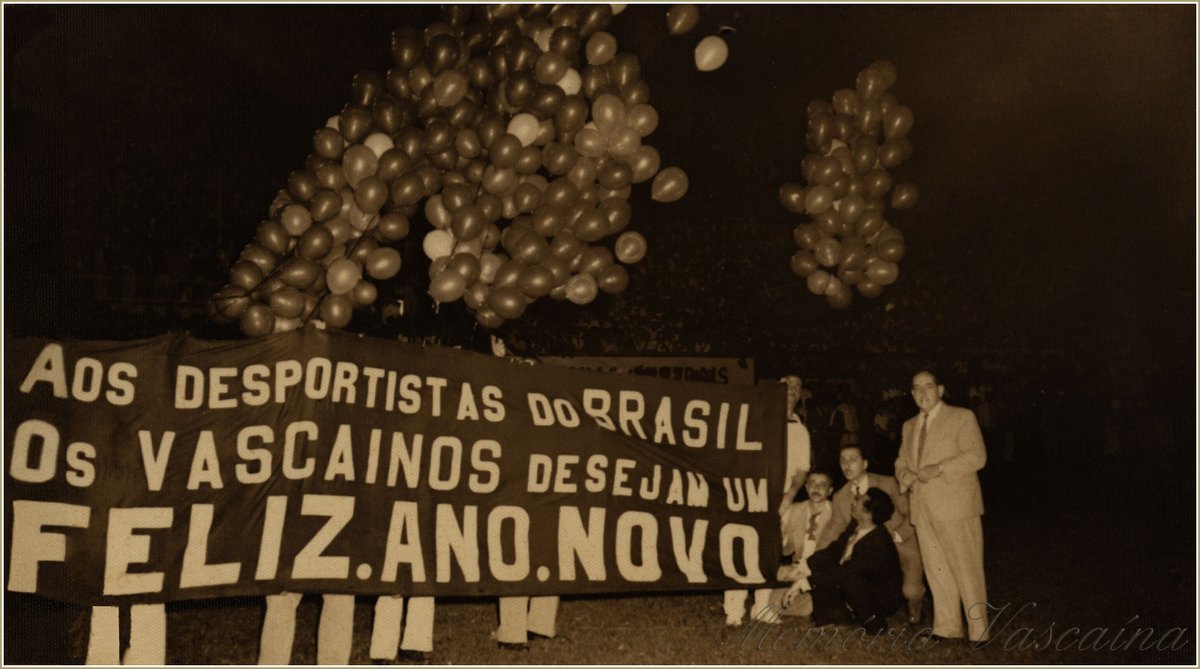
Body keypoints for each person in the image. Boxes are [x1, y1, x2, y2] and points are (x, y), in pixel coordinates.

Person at [895, 370, 989, 643]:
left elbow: (977, 456)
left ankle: (979, 632)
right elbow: (901, 461)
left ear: (940, 390)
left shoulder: (962, 417)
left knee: (967, 569)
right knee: (937, 570)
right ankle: (947, 628)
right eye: (917, 388)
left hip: (957, 507)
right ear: (912, 395)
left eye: (929, 386)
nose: (923, 392)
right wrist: (904, 475)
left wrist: (939, 468)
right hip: (923, 509)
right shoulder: (909, 425)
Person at [490, 335, 560, 650]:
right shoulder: (536, 384)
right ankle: (528, 627)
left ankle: (526, 627)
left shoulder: (505, 379)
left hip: (530, 485)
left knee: (531, 554)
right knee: (530, 553)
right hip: (530, 486)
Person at [723, 375, 811, 627]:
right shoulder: (756, 422)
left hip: (781, 500)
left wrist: (788, 497)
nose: (792, 390)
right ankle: (734, 608)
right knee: (742, 550)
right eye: (787, 385)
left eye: (797, 386)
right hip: (751, 496)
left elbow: (802, 471)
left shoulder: (800, 430)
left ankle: (761, 607)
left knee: (769, 554)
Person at [818, 444, 925, 624]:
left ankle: (917, 609)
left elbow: (913, 513)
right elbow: (833, 529)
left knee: (911, 591)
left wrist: (898, 535)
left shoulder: (889, 483)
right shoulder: (840, 496)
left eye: (852, 460)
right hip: (871, 553)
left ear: (865, 464)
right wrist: (816, 556)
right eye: (842, 461)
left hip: (902, 544)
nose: (847, 465)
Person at [803, 487, 903, 634]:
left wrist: (807, 581)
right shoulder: (856, 526)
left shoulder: (879, 541)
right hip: (859, 583)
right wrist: (804, 566)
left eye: (859, 501)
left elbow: (849, 570)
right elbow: (834, 551)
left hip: (882, 597)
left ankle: (876, 625)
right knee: (825, 568)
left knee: (848, 578)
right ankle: (836, 619)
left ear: (868, 514)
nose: (853, 503)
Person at [773, 471, 835, 617]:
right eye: (812, 484)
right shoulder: (794, 510)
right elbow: (785, 550)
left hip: (823, 570)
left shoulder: (836, 513)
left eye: (822, 485)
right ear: (806, 487)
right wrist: (780, 528)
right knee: (772, 601)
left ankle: (813, 600)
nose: (816, 488)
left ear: (830, 491)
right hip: (798, 568)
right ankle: (808, 600)